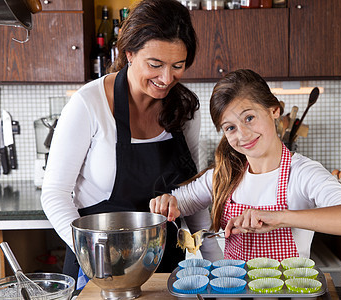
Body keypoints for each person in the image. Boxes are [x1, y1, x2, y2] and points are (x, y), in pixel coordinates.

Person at [41, 0, 223, 283]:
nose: (166, 78)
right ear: (129, 53)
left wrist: (217, 263)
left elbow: (192, 190)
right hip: (98, 266)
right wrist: (90, 254)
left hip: (163, 264)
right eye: (155, 64)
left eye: (178, 65)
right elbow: (54, 194)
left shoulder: (185, 108)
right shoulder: (89, 104)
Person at [150, 69, 341, 261]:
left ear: (274, 110)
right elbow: (181, 202)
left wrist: (281, 217)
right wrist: (169, 202)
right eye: (230, 128)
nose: (243, 135)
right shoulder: (224, 175)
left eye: (249, 118)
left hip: (288, 293)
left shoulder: (303, 173)